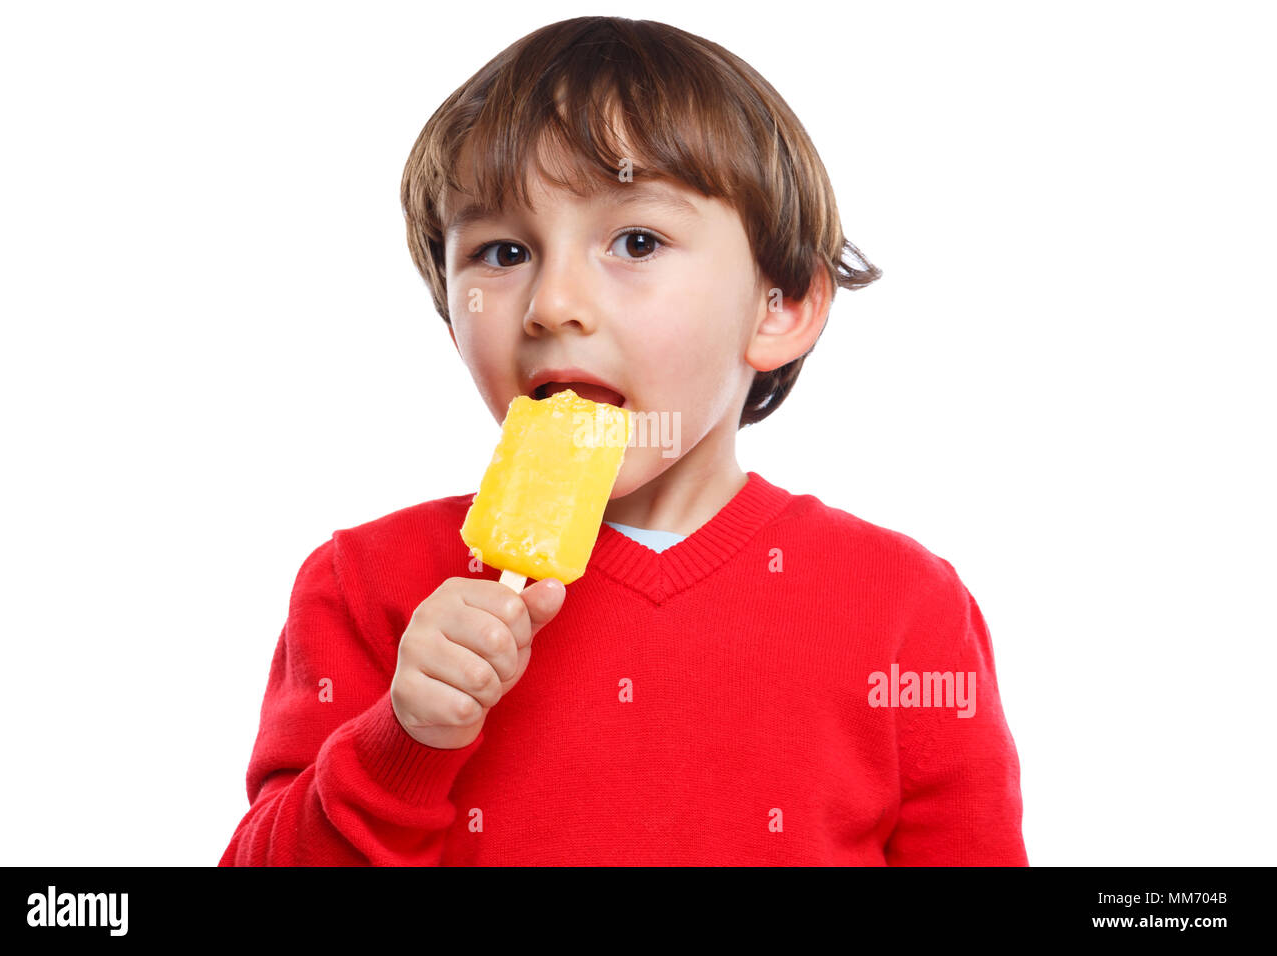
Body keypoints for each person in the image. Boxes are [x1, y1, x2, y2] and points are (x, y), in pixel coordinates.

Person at [219, 15, 1027, 866]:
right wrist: (405, 741)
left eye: (636, 241)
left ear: (778, 307)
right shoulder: (363, 588)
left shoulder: (905, 609)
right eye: (501, 251)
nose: (551, 303)